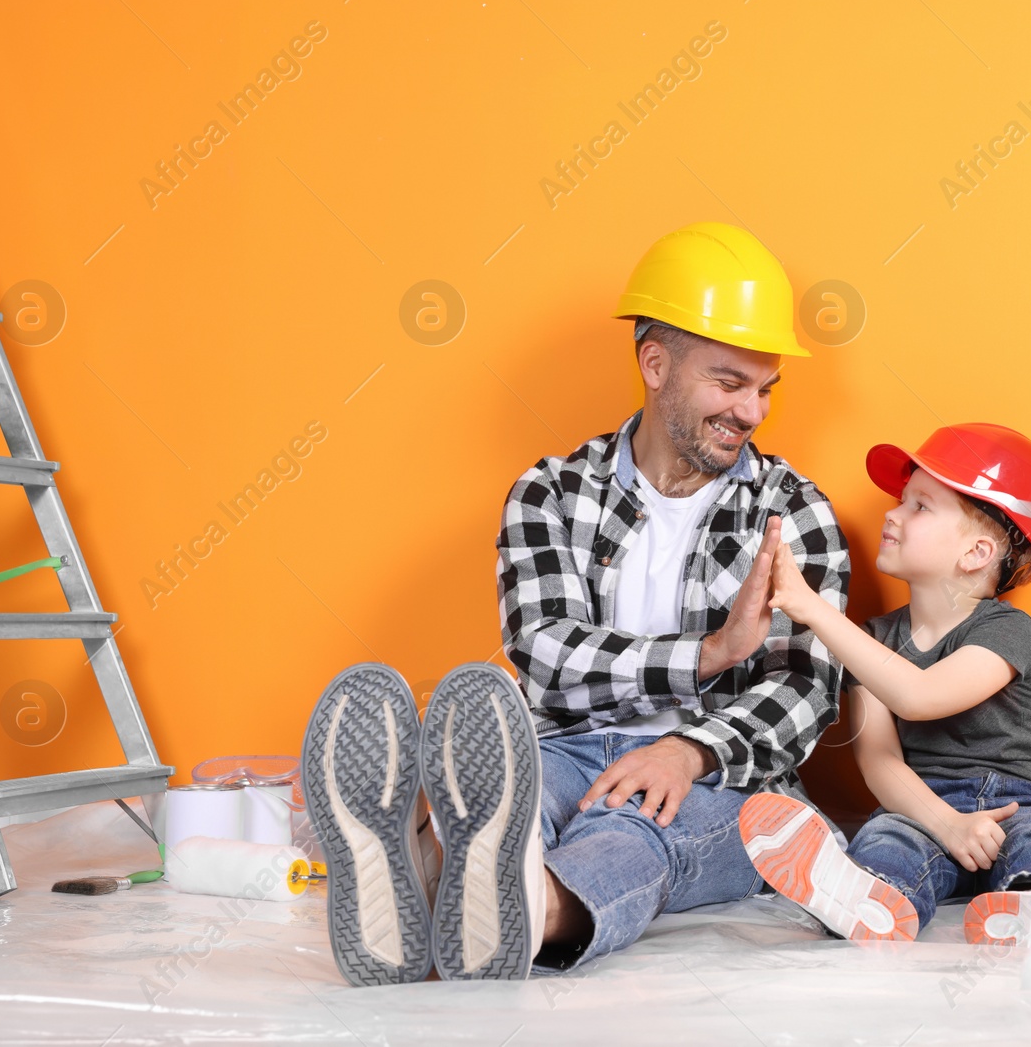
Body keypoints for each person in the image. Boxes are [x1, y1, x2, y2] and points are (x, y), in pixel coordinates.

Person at [299, 221, 853, 985]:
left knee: (639, 831)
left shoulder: (795, 513)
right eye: (729, 383)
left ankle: (526, 904)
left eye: (765, 389)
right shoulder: (552, 492)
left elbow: (806, 688)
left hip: (720, 772)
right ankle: (424, 863)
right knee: (513, 801)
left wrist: (684, 749)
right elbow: (546, 655)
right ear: (655, 363)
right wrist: (709, 654)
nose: (753, 411)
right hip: (561, 744)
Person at [737, 424, 1031, 948]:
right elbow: (880, 761)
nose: (892, 514)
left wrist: (811, 606)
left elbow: (920, 695)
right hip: (924, 806)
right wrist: (946, 825)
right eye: (902, 501)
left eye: (919, 506)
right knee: (886, 839)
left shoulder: (1008, 630)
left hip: (1020, 803)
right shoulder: (874, 640)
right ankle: (869, 899)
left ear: (976, 554)